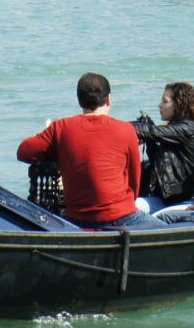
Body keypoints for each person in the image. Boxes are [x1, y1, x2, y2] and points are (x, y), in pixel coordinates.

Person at [16, 72, 153, 229]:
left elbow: (23, 152)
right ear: (109, 99)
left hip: (77, 218)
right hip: (121, 217)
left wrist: (59, 149)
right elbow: (134, 180)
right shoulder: (127, 130)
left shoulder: (61, 128)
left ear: (80, 101)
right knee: (168, 229)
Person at [130, 81, 194, 215]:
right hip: (165, 199)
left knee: (137, 213)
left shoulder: (188, 128)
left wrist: (118, 128)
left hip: (184, 200)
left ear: (179, 104)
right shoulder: (172, 130)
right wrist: (149, 137)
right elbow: (158, 160)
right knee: (129, 207)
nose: (160, 106)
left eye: (165, 102)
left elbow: (153, 132)